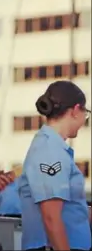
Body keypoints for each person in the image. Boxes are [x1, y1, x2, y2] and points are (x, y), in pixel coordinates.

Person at [18, 80, 92, 251]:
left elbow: (71, 210)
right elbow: (51, 216)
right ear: (75, 110)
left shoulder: (54, 147)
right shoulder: (49, 150)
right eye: (85, 114)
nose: (84, 120)